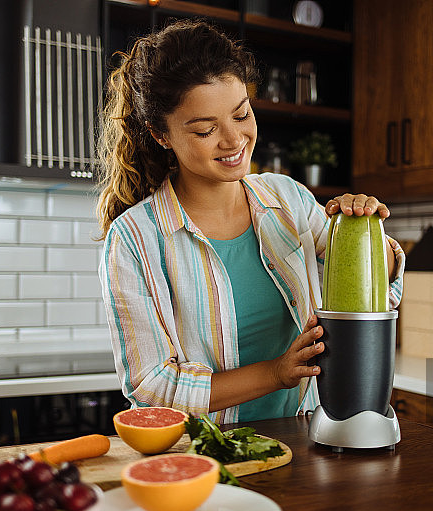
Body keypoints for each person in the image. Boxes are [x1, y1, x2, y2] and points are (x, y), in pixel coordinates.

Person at [96, 19, 405, 424]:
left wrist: (363, 230)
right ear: (161, 134)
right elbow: (153, 386)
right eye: (206, 130)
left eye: (241, 115)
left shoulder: (287, 199)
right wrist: (276, 373)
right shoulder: (135, 239)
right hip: (204, 457)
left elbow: (364, 296)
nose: (233, 139)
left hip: (305, 439)